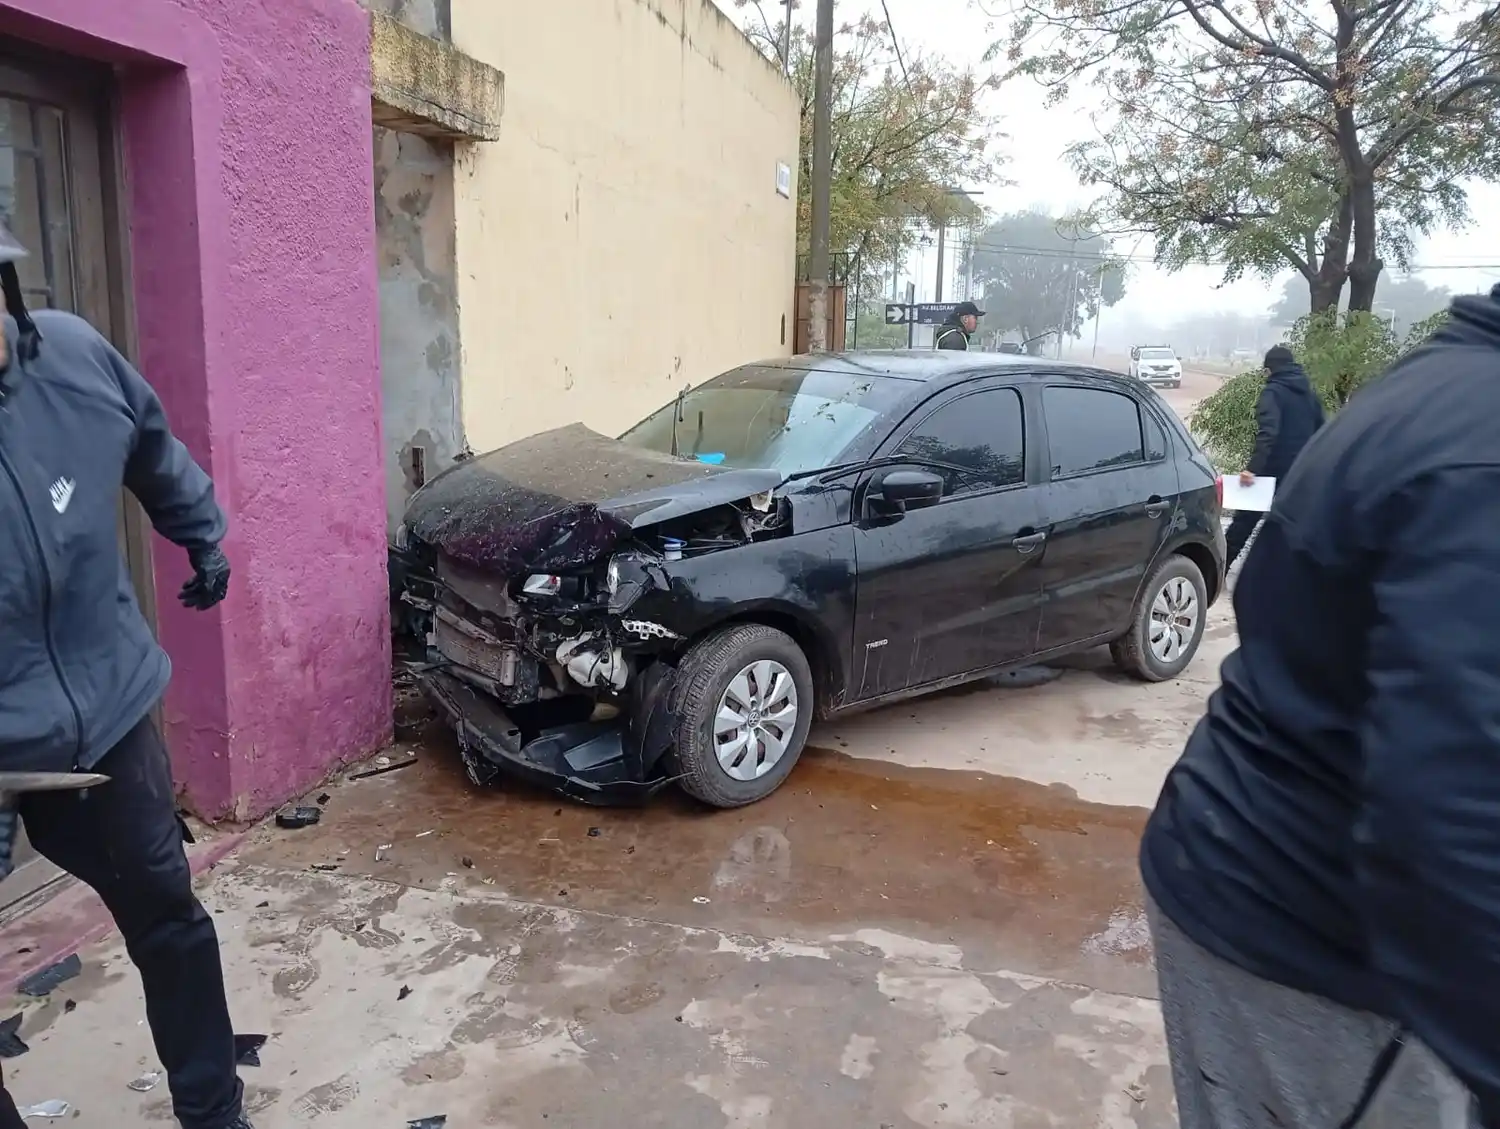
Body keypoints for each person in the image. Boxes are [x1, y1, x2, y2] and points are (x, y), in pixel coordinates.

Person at [1140, 284, 1500, 1127]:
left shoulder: (1428, 387)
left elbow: (1262, 602)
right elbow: (1453, 814)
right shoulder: (1480, 453)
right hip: (1309, 933)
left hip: (1240, 866)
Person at [0, 222, 252, 1129]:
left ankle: (215, 1111)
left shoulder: (71, 357)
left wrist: (201, 530)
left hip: (106, 715)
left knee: (169, 918)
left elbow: (150, 444)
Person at [1224, 344, 1324, 566]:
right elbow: (1323, 431)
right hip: (1301, 471)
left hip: (1270, 470)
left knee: (1244, 522)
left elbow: (1268, 432)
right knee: (1293, 527)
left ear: (1269, 370)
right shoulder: (1309, 394)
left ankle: (1217, 570)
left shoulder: (1273, 392)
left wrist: (1253, 469)